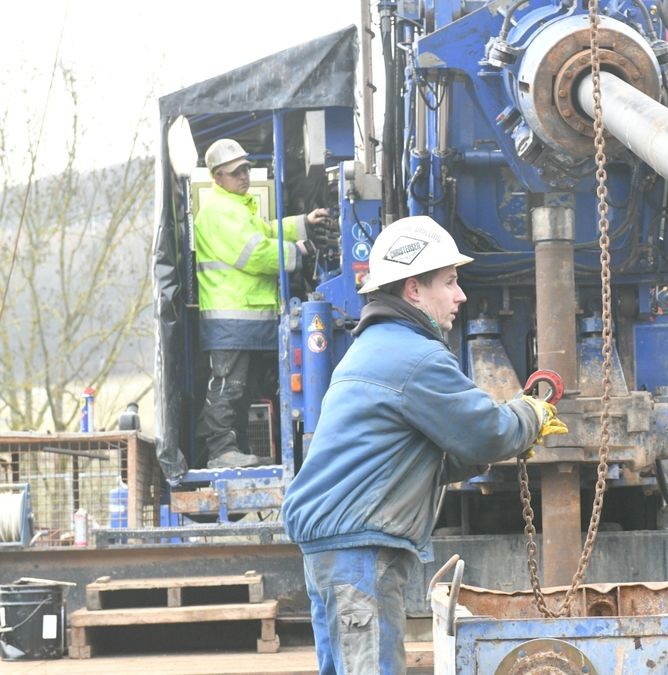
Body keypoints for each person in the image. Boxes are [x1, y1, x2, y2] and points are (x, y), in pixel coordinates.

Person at [281, 215, 566, 675]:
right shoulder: (414, 356)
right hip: (358, 547)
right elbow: (489, 431)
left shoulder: (377, 345)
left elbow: (427, 457)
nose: (461, 295)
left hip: (335, 542)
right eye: (450, 282)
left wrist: (492, 442)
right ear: (414, 289)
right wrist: (531, 413)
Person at [193, 138, 334, 469]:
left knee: (243, 389)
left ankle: (231, 450)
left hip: (246, 319)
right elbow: (254, 253)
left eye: (245, 169)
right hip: (231, 319)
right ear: (216, 177)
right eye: (234, 173)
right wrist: (296, 253)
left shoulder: (238, 207)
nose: (243, 177)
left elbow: (266, 231)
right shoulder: (218, 211)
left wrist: (304, 222)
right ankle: (220, 452)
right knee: (229, 387)